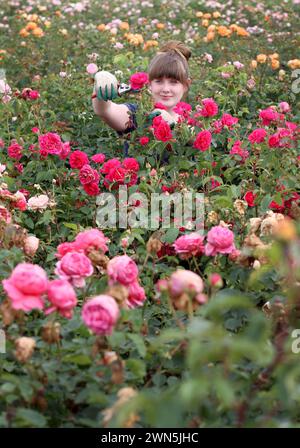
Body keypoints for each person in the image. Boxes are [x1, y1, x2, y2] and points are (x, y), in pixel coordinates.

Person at [92, 41, 192, 142]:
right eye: (158, 81)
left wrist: (175, 129)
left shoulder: (194, 122)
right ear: (149, 84)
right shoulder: (137, 114)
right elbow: (105, 111)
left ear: (185, 85)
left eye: (173, 82)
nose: (166, 89)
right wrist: (102, 78)